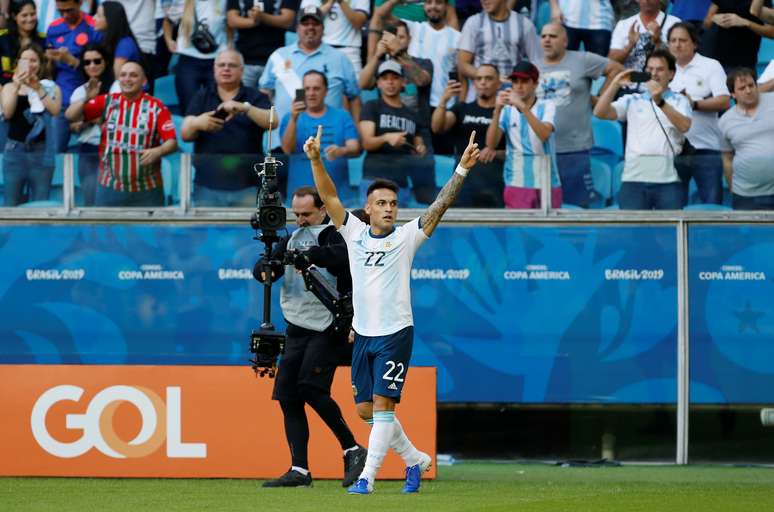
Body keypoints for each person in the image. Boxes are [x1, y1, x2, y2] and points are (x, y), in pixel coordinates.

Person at [303, 123, 481, 494]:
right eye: (381, 203)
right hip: (363, 333)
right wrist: (317, 159)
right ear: (368, 209)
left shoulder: (407, 237)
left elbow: (440, 205)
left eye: (393, 204)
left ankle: (367, 477)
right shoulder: (352, 232)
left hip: (395, 332)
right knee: (366, 411)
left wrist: (461, 168)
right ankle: (415, 459)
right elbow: (329, 195)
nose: (388, 209)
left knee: (384, 406)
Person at [253, 186, 368, 489]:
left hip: (329, 326)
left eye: (307, 214)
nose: (301, 219)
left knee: (311, 388)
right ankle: (299, 470)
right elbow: (265, 270)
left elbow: (342, 258)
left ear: (322, 211)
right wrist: (267, 267)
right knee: (288, 397)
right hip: (296, 326)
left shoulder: (335, 234)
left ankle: (353, 449)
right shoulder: (290, 237)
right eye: (297, 214)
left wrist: (305, 256)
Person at [68, 60, 178, 207]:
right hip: (109, 186)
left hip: (147, 189)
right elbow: (71, 116)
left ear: (144, 81)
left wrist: (159, 150)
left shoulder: (156, 107)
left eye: (133, 75)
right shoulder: (107, 101)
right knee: (105, 230)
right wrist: (86, 99)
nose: (127, 79)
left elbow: (172, 142)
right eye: (123, 75)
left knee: (149, 231)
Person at [593, 49, 692, 210]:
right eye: (649, 70)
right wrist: (615, 83)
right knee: (633, 233)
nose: (654, 74)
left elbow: (685, 126)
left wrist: (660, 101)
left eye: (659, 69)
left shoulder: (680, 100)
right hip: (633, 180)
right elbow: (600, 112)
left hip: (668, 180)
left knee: (669, 234)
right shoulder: (632, 99)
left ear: (671, 74)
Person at [536, 22, 622, 208]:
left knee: (576, 208)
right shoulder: (533, 67)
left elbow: (616, 69)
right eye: (543, 36)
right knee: (542, 209)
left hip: (574, 151)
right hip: (540, 151)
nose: (547, 40)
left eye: (553, 36)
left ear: (565, 41)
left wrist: (599, 99)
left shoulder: (582, 60)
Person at [181, 48, 274, 207]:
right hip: (207, 186)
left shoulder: (255, 96)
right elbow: (185, 134)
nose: (226, 68)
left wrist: (245, 108)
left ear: (241, 70)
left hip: (248, 186)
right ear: (214, 69)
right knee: (206, 232)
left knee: (249, 232)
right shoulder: (203, 95)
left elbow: (273, 121)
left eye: (231, 65)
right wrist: (197, 122)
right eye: (221, 65)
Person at [372, 0, 460, 153]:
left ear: (446, 6)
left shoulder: (457, 37)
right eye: (429, 2)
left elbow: (461, 74)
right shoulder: (414, 28)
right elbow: (380, 15)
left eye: (438, 2)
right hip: (418, 103)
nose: (433, 6)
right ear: (423, 6)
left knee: (440, 156)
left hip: (443, 103)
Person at [259, 6, 360, 132]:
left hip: (326, 140)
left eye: (315, 23)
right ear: (297, 28)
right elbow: (264, 94)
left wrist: (357, 131)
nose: (310, 27)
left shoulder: (339, 58)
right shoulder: (278, 56)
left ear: (323, 28)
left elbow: (354, 97)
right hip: (282, 138)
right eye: (305, 23)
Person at [667, 22, 730, 205]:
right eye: (673, 40)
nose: (677, 45)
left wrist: (693, 103)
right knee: (673, 210)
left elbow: (724, 101)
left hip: (706, 148)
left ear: (695, 43)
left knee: (711, 208)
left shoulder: (710, 66)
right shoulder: (663, 69)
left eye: (683, 40)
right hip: (672, 149)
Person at [486, 61, 560, 209]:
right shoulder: (506, 110)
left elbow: (544, 134)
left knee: (549, 230)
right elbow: (491, 144)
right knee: (517, 231)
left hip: (547, 180)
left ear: (535, 84)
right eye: (515, 81)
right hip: (517, 180)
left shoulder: (547, 105)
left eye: (525, 81)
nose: (519, 86)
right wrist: (497, 111)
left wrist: (522, 107)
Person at [280, 70, 360, 207]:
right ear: (301, 92)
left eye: (316, 88)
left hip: (337, 198)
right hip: (300, 200)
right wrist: (294, 119)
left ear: (326, 91)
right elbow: (287, 149)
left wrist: (341, 151)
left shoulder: (342, 116)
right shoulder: (289, 117)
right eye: (307, 89)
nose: (311, 93)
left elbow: (355, 147)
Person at [359, 60, 434, 205]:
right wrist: (386, 138)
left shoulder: (412, 113)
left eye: (394, 78)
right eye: (385, 78)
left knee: (400, 227)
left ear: (403, 82)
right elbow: (367, 143)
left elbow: (419, 145)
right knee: (368, 225)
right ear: (378, 83)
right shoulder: (372, 106)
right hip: (373, 180)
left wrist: (420, 149)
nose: (390, 82)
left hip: (401, 183)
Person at [431, 63, 504, 207]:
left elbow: (514, 150)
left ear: (498, 83)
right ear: (474, 83)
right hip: (462, 184)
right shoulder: (462, 108)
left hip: (494, 184)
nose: (483, 82)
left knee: (495, 229)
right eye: (479, 79)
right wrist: (443, 101)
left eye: (488, 78)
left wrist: (497, 153)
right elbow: (437, 127)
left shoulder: (506, 112)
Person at [1, 43, 60, 206]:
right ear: (17, 63)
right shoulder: (8, 87)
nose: (29, 64)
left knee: (41, 204)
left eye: (33, 60)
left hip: (42, 152)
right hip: (14, 151)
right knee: (11, 204)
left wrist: (38, 88)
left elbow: (55, 110)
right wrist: (17, 86)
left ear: (40, 64)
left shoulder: (50, 86)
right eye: (24, 60)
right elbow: (8, 113)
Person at [64, 42, 116, 206]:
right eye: (87, 62)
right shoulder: (80, 91)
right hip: (88, 149)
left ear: (105, 62)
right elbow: (71, 122)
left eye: (97, 61)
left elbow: (110, 117)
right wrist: (87, 100)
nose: (92, 65)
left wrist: (85, 118)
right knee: (90, 203)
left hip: (114, 149)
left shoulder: (117, 86)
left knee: (113, 205)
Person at [458, 0, 541, 101]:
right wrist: (490, 78)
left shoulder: (524, 24)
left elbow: (537, 63)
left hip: (512, 98)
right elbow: (462, 65)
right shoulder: (473, 22)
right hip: (479, 99)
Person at [45, 0, 99, 153]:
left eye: (69, 10)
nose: (65, 15)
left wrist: (72, 61)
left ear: (80, 3)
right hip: (61, 99)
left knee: (90, 156)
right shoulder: (54, 28)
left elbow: (101, 67)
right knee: (55, 153)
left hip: (88, 100)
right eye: (60, 11)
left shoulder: (93, 27)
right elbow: (49, 69)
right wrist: (48, 60)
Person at [360, 19, 433, 127]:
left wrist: (399, 52)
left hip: (418, 128)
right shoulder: (381, 65)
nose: (396, 41)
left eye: (401, 37)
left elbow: (422, 80)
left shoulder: (423, 63)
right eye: (393, 38)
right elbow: (363, 84)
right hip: (387, 126)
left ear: (409, 39)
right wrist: (377, 55)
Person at [719, 68, 774, 210]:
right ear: (733, 94)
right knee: (748, 233)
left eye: (751, 85)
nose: (748, 90)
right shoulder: (725, 121)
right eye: (742, 88)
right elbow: (727, 158)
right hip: (745, 195)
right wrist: (732, 187)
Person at [163, 0, 230, 113]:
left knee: (217, 108)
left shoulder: (223, 2)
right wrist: (169, 41)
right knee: (189, 108)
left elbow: (230, 24)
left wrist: (229, 45)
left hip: (216, 59)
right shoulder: (183, 2)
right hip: (188, 59)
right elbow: (168, 21)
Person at [226, 0, 299, 88]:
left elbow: (288, 20)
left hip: (274, 61)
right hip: (245, 61)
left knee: (271, 100)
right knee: (241, 100)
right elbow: (231, 20)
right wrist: (254, 21)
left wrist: (262, 17)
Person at [608, 0, 680, 73]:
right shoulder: (623, 25)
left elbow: (681, 60)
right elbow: (612, 61)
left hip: (661, 82)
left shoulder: (674, 23)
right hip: (629, 81)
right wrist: (630, 45)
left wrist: (658, 42)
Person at [299, 0, 369, 74]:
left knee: (354, 84)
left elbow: (359, 22)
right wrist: (330, 3)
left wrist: (341, 2)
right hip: (318, 50)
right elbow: (307, 20)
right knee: (314, 83)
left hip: (349, 50)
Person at [704, 1, 774, 73]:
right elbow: (707, 22)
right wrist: (714, 18)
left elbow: (772, 33)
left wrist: (746, 23)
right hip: (716, 59)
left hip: (745, 63)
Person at [93, 1, 142, 80]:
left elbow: (117, 78)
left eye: (98, 16)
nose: (94, 18)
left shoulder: (125, 44)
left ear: (110, 19)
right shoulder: (103, 37)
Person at [548, 0, 615, 56]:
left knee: (597, 68)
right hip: (566, 18)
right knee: (562, 66)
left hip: (600, 21)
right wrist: (554, 7)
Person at [0, 0, 45, 84]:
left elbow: (45, 70)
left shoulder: (43, 40)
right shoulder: (3, 39)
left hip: (35, 86)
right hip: (5, 85)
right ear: (14, 16)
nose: (29, 19)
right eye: (24, 15)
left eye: (32, 14)